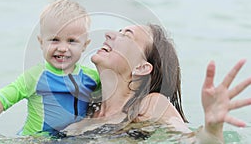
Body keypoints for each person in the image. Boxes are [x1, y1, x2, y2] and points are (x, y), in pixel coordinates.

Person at [63, 24, 251, 143]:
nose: (109, 34)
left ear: (142, 67)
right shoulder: (87, 105)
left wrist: (212, 131)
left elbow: (188, 140)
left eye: (127, 35)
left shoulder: (149, 105)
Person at [0, 0, 100, 137]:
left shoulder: (92, 77)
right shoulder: (35, 76)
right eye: (54, 40)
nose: (62, 48)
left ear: (85, 45)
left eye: (71, 41)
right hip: (34, 138)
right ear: (41, 42)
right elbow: (2, 98)